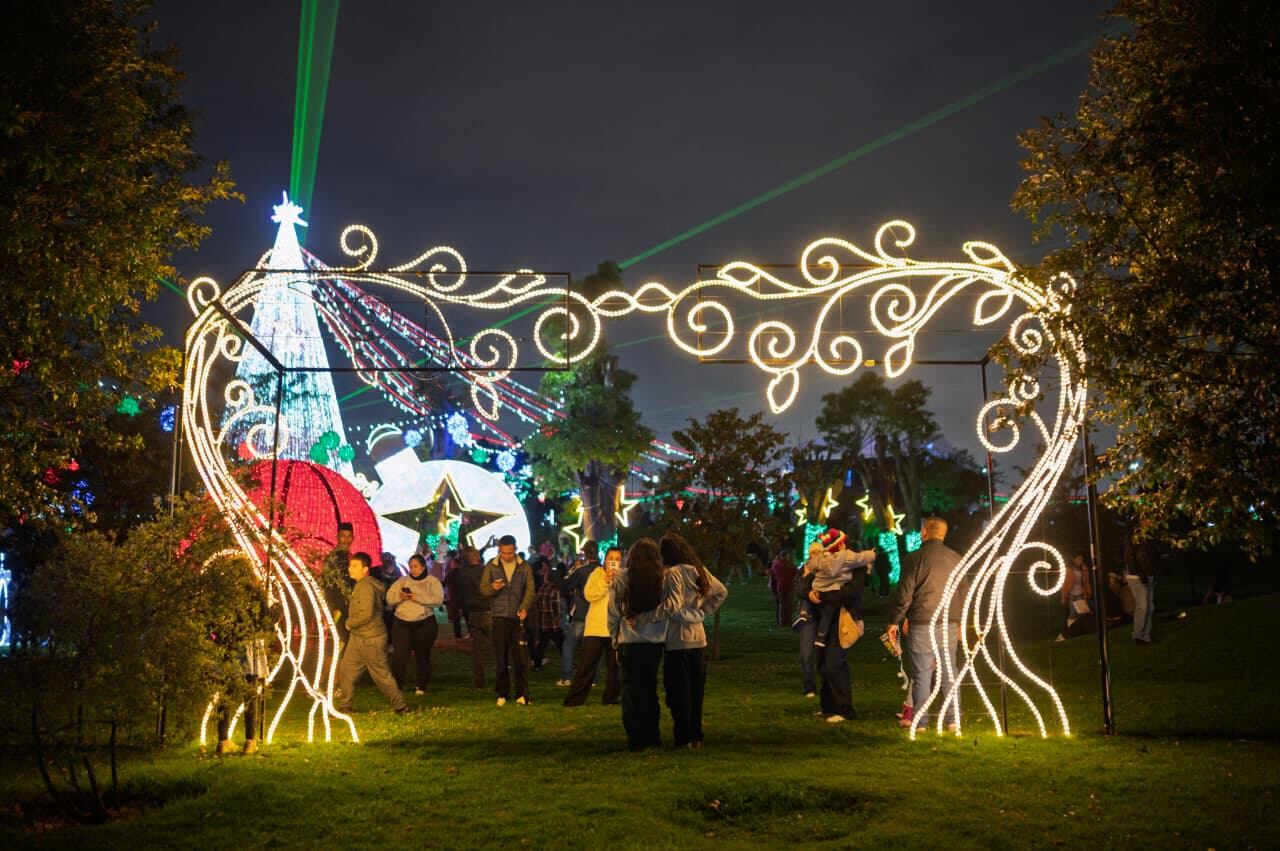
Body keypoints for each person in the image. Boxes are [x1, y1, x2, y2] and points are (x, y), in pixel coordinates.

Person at [885, 518, 965, 732]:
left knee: (922, 674)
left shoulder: (914, 558)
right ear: (944, 534)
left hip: (922, 621)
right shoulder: (956, 558)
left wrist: (895, 620)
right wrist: (960, 621)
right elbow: (963, 592)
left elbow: (905, 593)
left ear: (923, 532)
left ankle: (920, 722)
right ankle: (952, 720)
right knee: (949, 672)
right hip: (948, 622)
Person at [659, 532, 727, 749]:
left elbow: (674, 607)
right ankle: (696, 736)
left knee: (678, 693)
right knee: (696, 691)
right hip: (699, 641)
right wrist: (703, 612)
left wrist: (691, 615)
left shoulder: (672, 574)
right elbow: (721, 592)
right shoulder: (699, 570)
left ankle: (683, 737)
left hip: (677, 640)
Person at [804, 532, 876, 723]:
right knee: (821, 663)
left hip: (841, 619)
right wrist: (809, 592)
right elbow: (802, 581)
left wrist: (824, 596)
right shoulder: (821, 560)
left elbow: (852, 593)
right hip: (820, 618)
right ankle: (827, 706)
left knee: (834, 663)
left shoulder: (855, 566)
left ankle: (844, 709)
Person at [608, 538, 670, 751]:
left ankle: (636, 737)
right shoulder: (662, 579)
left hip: (630, 641)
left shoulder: (623, 578)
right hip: (654, 641)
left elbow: (613, 612)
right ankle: (652, 735)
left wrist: (615, 641)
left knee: (630, 692)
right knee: (649, 689)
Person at [335, 552, 409, 715]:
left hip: (371, 638)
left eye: (355, 566)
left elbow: (366, 613)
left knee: (381, 675)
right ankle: (345, 706)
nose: (350, 568)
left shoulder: (365, 586)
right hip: (359, 637)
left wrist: (349, 623)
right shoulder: (362, 584)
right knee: (346, 670)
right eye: (350, 565)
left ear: (365, 569)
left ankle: (400, 706)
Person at [793, 529, 876, 650]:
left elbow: (852, 593)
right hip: (818, 611)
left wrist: (821, 595)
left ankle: (815, 630)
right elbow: (800, 587)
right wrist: (809, 593)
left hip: (840, 616)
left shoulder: (824, 562)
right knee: (813, 655)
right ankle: (817, 633)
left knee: (832, 659)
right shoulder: (833, 560)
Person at [479, 534, 536, 705]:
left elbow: (530, 590)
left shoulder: (524, 567)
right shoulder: (491, 566)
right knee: (501, 658)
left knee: (520, 659)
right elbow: (483, 589)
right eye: (504, 553)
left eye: (510, 553)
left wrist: (524, 607)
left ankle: (522, 694)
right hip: (499, 617)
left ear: (515, 549)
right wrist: (493, 588)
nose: (507, 556)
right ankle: (502, 693)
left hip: (518, 618)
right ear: (499, 551)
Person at [563, 546, 622, 706]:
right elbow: (589, 594)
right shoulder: (597, 574)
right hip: (595, 628)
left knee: (614, 667)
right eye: (611, 558)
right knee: (586, 666)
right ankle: (574, 699)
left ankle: (611, 697)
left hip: (615, 629)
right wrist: (605, 581)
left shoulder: (624, 577)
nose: (614, 562)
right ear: (605, 559)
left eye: (617, 559)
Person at [386, 554, 444, 695]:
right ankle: (397, 685)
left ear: (423, 567)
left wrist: (416, 598)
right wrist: (400, 597)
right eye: (411, 566)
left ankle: (421, 686)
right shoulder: (402, 581)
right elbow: (389, 598)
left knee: (422, 655)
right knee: (400, 656)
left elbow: (438, 600)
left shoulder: (432, 582)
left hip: (424, 622)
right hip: (402, 622)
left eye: (416, 566)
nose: (413, 569)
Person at [558, 542, 599, 686]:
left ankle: (567, 677)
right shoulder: (602, 570)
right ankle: (593, 678)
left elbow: (566, 584)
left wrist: (572, 571)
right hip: (597, 615)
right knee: (593, 648)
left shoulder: (581, 571)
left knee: (569, 645)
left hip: (581, 613)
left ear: (586, 553)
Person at [457, 546, 492, 688]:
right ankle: (504, 676)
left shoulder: (462, 572)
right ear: (475, 556)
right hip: (488, 610)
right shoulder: (484, 571)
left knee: (478, 650)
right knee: (500, 645)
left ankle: (479, 681)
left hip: (472, 612)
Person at [320, 521, 355, 646]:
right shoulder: (333, 558)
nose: (346, 540)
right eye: (343, 536)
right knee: (339, 640)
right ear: (337, 537)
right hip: (338, 606)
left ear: (353, 537)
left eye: (349, 536)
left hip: (349, 605)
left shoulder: (351, 557)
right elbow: (327, 584)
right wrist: (331, 606)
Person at [1124, 525, 1158, 644]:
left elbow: (1152, 556)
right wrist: (1141, 574)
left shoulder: (1149, 537)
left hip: (1148, 575)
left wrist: (1152, 573)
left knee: (1150, 607)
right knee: (1142, 606)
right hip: (1136, 576)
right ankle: (1138, 635)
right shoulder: (1134, 537)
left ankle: (1145, 635)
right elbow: (1130, 557)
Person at [532, 557, 564, 670]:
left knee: (541, 645)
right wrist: (558, 618)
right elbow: (556, 607)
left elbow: (536, 601)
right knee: (562, 644)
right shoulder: (555, 590)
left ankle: (537, 665)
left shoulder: (542, 587)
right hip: (553, 623)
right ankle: (567, 663)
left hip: (543, 622)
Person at [1055, 553, 1093, 642]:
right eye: (1078, 559)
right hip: (1072, 594)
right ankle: (1070, 632)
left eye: (1081, 559)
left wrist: (1088, 592)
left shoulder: (1084, 569)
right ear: (1073, 559)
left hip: (1081, 594)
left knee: (1082, 612)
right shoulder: (1069, 570)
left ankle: (1079, 631)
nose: (1080, 561)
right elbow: (1065, 584)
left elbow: (1086, 582)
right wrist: (1063, 595)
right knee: (1072, 613)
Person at [767, 547, 797, 626]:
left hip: (780, 586)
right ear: (786, 556)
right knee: (789, 605)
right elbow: (796, 573)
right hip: (789, 586)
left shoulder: (776, 564)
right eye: (788, 556)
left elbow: (770, 571)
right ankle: (789, 621)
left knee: (782, 605)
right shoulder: (790, 565)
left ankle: (781, 622)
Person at [442, 551, 467, 639]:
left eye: (452, 563)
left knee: (456, 619)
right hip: (464, 597)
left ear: (455, 564)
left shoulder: (450, 574)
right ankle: (471, 634)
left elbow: (443, 584)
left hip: (454, 598)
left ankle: (458, 636)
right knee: (467, 617)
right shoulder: (464, 573)